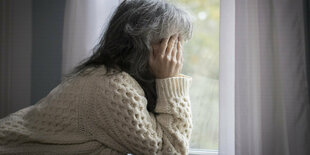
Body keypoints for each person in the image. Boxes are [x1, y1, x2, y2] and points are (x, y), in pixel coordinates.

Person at [0, 0, 194, 154]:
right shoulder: (113, 86)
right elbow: (171, 152)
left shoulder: (114, 78)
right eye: (172, 43)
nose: (177, 54)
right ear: (145, 43)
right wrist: (170, 81)